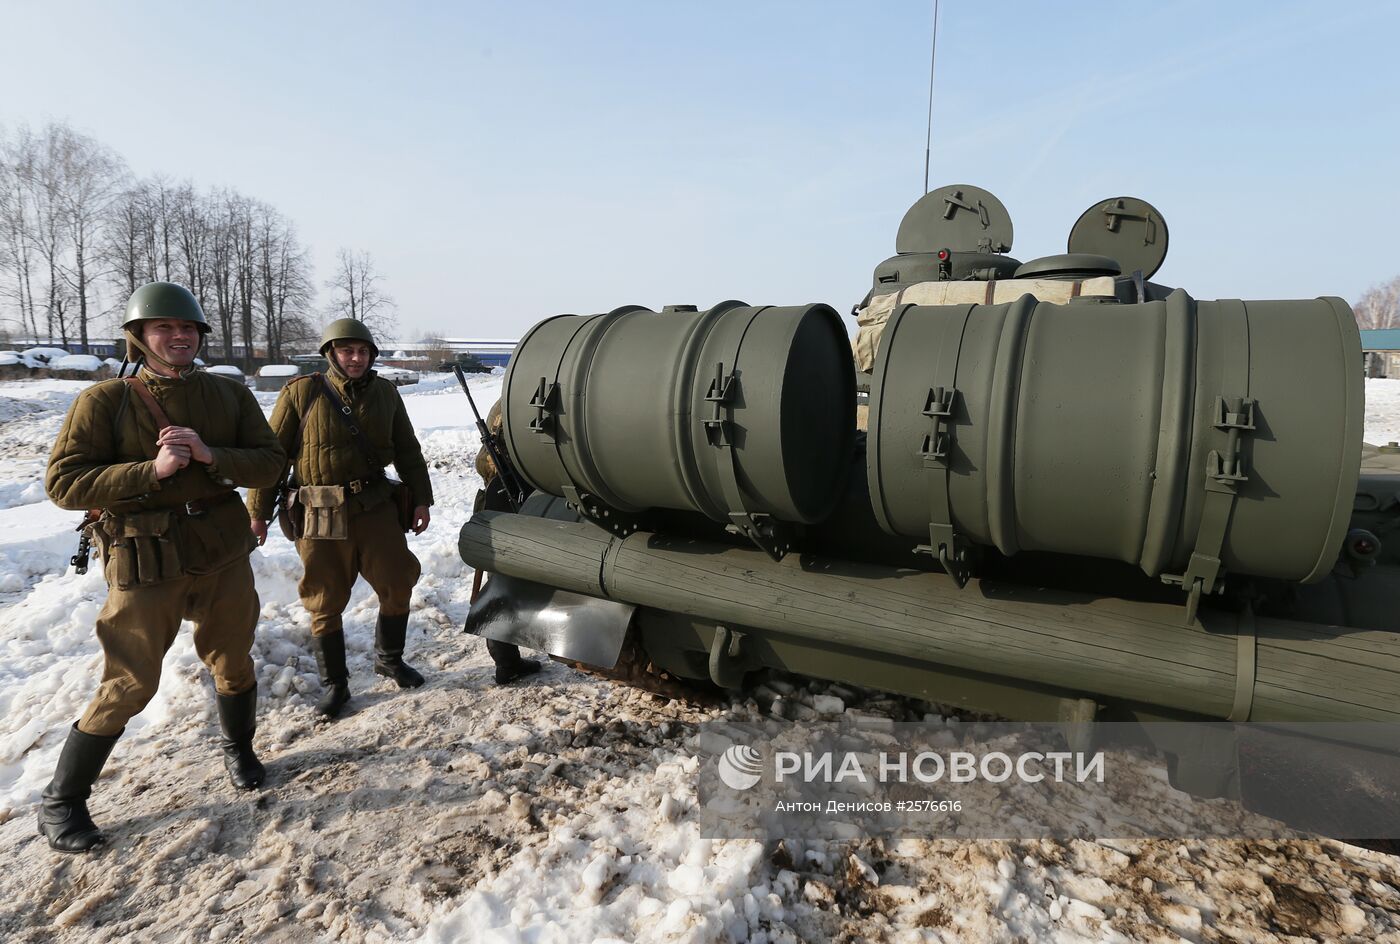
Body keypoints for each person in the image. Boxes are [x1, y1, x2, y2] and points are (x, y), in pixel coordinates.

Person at [41, 281, 286, 853]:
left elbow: (272, 463)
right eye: (164, 328)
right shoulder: (103, 401)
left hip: (221, 553)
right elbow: (64, 484)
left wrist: (212, 455)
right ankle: (62, 800)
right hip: (145, 558)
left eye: (187, 328)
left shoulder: (229, 395)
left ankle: (239, 749)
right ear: (139, 336)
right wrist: (150, 471)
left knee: (234, 658)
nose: (179, 337)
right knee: (129, 681)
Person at [247, 318, 433, 720]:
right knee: (324, 596)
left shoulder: (386, 393)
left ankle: (390, 659)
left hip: (375, 503)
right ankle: (336, 683)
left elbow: (408, 449)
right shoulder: (301, 392)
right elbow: (272, 456)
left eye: (363, 351)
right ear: (331, 353)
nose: (356, 358)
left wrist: (422, 499)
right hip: (320, 508)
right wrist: (258, 512)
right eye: (347, 351)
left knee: (398, 580)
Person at [472, 397, 542, 684]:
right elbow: (485, 462)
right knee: (503, 578)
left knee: (504, 578)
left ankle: (507, 661)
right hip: (512, 495)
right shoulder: (512, 402)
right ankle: (507, 661)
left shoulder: (512, 397)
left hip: (516, 492)